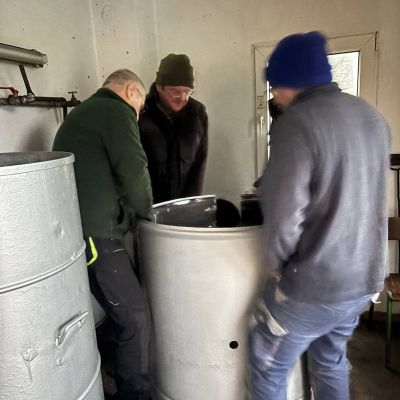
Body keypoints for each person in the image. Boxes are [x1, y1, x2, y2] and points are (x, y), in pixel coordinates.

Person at [248, 31, 391, 400]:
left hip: (316, 284)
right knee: (330, 360)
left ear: (292, 79)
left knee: (267, 364)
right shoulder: (371, 116)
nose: (273, 94)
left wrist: (275, 266)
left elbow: (284, 215)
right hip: (364, 280)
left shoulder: (295, 123)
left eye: (275, 84)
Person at [52, 69, 152, 400]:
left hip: (80, 232)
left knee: (119, 312)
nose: (139, 113)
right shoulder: (115, 111)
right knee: (135, 317)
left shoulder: (84, 113)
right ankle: (134, 394)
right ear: (131, 91)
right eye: (141, 104)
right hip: (97, 235)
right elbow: (134, 168)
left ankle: (112, 374)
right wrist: (149, 213)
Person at [138, 53, 208, 203]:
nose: (182, 98)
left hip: (185, 203)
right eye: (176, 93)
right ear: (159, 87)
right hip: (150, 204)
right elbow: (135, 169)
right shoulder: (141, 113)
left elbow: (199, 164)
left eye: (187, 92)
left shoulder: (198, 113)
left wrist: (190, 204)